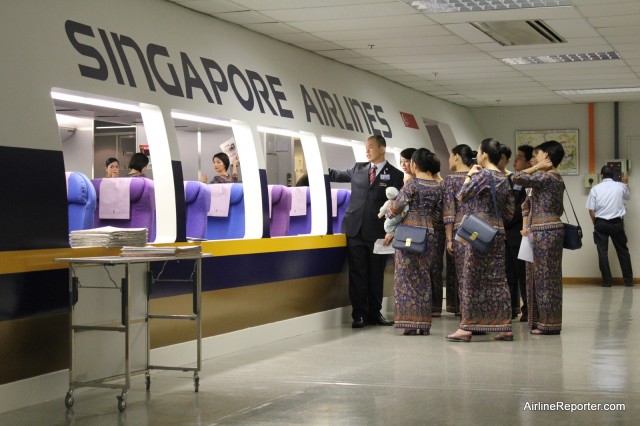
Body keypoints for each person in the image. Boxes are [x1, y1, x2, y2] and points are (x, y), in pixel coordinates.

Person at [328, 135, 404, 328]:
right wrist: (315, 168)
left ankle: (375, 313)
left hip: (379, 233)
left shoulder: (395, 174)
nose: (367, 151)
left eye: (371, 147)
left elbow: (399, 206)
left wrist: (393, 230)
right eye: (366, 147)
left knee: (376, 274)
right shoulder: (358, 169)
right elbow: (335, 175)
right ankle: (358, 315)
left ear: (382, 149)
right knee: (357, 273)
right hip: (355, 229)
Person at [447, 138, 514, 342]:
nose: (476, 155)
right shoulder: (504, 177)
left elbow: (462, 195)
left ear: (484, 154)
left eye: (478, 152)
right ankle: (504, 326)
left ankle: (466, 328)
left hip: (477, 233)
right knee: (497, 279)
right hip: (497, 231)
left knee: (470, 279)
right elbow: (510, 212)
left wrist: (468, 175)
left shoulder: (482, 175)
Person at [384, 148, 442, 335]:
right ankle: (424, 323)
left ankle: (410, 322)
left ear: (415, 165)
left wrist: (389, 211)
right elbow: (439, 213)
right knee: (424, 277)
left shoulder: (412, 184)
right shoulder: (437, 186)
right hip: (429, 233)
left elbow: (396, 207)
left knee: (406, 278)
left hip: (409, 233)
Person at [512, 140, 565, 335]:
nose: (535, 158)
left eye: (539, 155)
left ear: (547, 157)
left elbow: (516, 177)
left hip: (545, 231)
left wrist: (535, 168)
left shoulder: (548, 178)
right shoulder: (551, 179)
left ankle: (549, 324)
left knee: (545, 278)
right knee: (541, 277)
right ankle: (543, 321)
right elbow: (526, 204)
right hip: (542, 230)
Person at [586, 165, 633, 287]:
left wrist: (595, 222)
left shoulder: (595, 188)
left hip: (601, 222)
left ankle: (607, 281)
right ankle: (628, 281)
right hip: (617, 223)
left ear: (601, 175)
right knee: (623, 251)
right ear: (613, 175)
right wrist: (626, 182)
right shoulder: (620, 186)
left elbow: (591, 210)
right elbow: (628, 196)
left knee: (602, 252)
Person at [443, 144, 476, 315]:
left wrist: (449, 239)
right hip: (479, 230)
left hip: (460, 232)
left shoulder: (451, 180)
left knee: (463, 274)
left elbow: (449, 212)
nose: (449, 160)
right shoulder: (479, 176)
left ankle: (466, 314)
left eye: (450, 156)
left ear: (456, 157)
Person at [504, 145, 533, 322]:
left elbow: (522, 208)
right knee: (509, 273)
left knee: (523, 274)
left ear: (529, 162)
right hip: (507, 234)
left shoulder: (530, 181)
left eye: (520, 158)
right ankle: (512, 308)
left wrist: (505, 221)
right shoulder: (510, 180)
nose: (516, 160)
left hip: (519, 232)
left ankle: (528, 309)